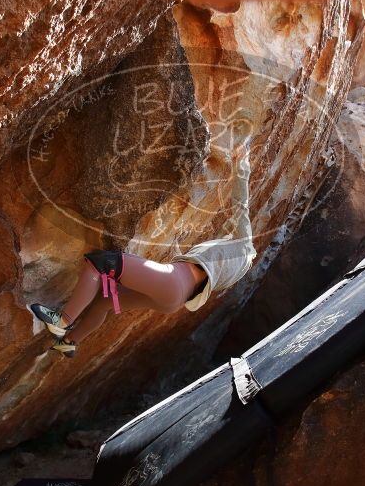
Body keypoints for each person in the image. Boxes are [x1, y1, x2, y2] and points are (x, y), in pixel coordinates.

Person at [31, 148, 257, 358]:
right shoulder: (236, 271)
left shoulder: (245, 247)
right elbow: (205, 275)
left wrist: (242, 165)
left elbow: (241, 207)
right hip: (173, 299)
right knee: (105, 303)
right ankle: (69, 343)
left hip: (172, 282)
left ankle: (62, 320)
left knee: (101, 264)